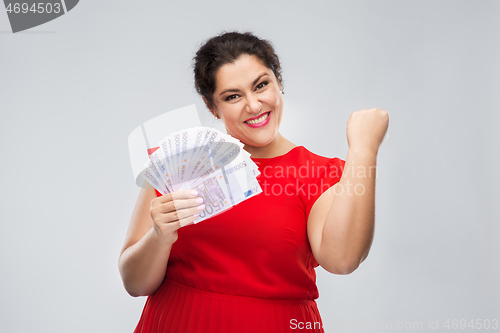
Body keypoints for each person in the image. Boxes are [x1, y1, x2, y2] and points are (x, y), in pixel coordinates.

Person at [119, 31, 389, 333]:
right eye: (233, 96)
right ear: (212, 108)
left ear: (279, 84)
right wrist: (159, 235)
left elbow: (342, 260)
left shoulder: (319, 173)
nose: (254, 105)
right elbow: (134, 283)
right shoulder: (176, 162)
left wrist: (364, 147)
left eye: (261, 85)